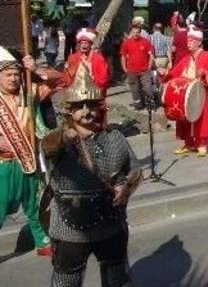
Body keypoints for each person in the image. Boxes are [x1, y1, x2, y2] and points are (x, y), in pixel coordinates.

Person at [40, 64, 141, 286]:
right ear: (70, 110)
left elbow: (134, 170)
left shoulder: (114, 138)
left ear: (99, 106)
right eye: (79, 106)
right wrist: (64, 137)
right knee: (67, 281)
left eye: (91, 105)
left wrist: (126, 188)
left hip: (110, 221)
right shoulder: (59, 141)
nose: (86, 111)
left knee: (116, 278)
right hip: (70, 225)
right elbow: (48, 146)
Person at [0, 48, 52, 257]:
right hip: (3, 166)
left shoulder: (29, 93)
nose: (13, 79)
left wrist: (36, 68)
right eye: (8, 75)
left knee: (35, 207)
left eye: (16, 74)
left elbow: (60, 81)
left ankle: (43, 242)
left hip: (28, 161)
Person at [158, 27, 208, 157]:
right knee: (185, 118)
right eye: (188, 41)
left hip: (201, 93)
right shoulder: (186, 58)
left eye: (191, 41)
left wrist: (205, 73)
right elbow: (175, 73)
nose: (188, 43)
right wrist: (166, 74)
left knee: (200, 118)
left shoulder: (207, 56)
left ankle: (202, 144)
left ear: (199, 42)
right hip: (185, 93)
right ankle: (188, 143)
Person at [120, 25, 154, 110]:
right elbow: (123, 56)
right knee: (134, 89)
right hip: (132, 70)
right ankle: (138, 104)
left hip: (144, 70)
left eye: (137, 32)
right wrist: (124, 67)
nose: (135, 34)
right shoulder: (126, 43)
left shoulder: (146, 42)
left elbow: (151, 55)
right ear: (131, 32)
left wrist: (149, 66)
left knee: (147, 87)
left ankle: (149, 103)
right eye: (134, 32)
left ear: (140, 33)